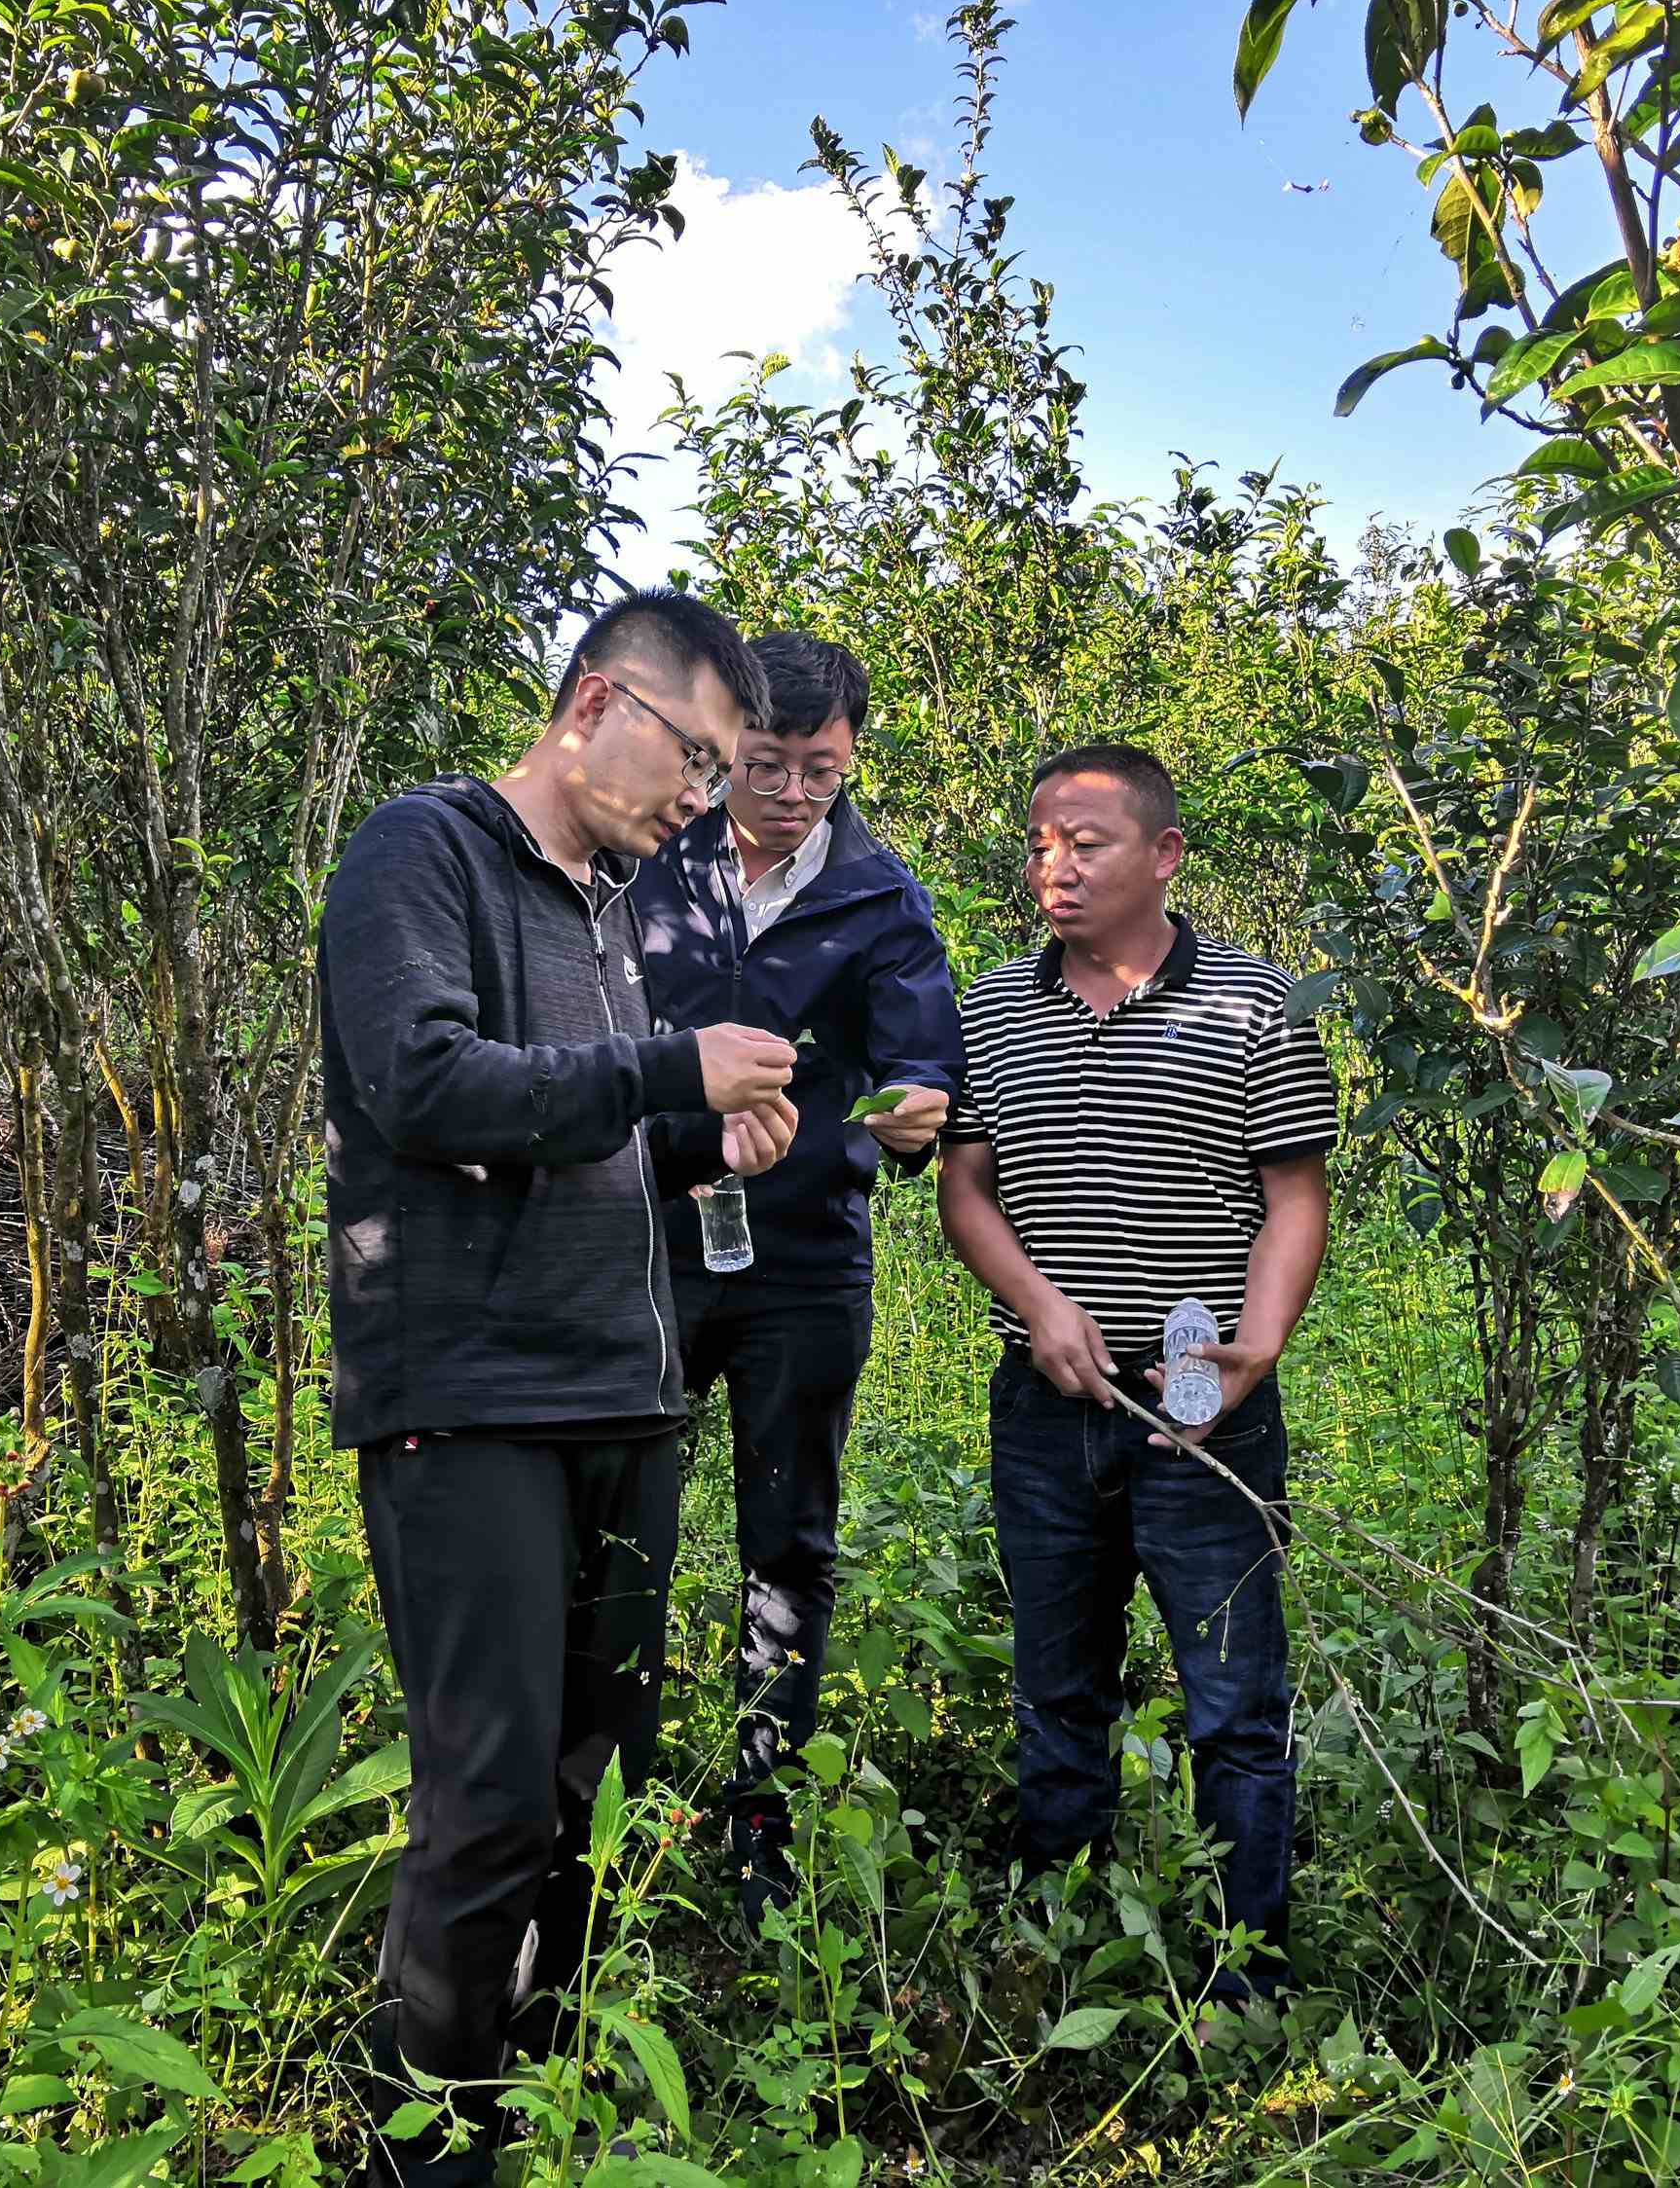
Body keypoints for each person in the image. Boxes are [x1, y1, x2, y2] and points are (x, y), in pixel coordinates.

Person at [318, 588, 803, 2186]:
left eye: (721, 771)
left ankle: (543, 2103)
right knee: (489, 1800)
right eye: (696, 756)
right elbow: (423, 1081)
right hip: (469, 1401)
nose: (702, 799)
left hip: (621, 1395)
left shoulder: (608, 909)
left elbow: (575, 1134)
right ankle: (428, 2156)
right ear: (597, 703)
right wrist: (670, 1068)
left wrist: (696, 1136)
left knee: (602, 1788)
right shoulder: (423, 851)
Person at [935, 741, 1335, 1999]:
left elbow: (1294, 1197)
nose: (1053, 868)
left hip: (1201, 1408)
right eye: (1040, 845)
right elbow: (964, 1188)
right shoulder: (990, 1008)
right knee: (1058, 1688)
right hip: (1046, 1406)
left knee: (1234, 1701)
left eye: (1085, 844)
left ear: (1164, 855)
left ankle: (1248, 1979)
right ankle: (1059, 1950)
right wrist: (1038, 1304)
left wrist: (1257, 1347)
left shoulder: (1259, 1005)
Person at [633, 632, 964, 1926]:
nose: (790, 795)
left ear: (853, 754)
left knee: (787, 1545)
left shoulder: (882, 898)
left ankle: (760, 1821)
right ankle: (604, 1806)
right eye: (765, 766)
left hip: (806, 1260)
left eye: (820, 771)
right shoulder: (649, 860)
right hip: (648, 1243)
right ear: (724, 748)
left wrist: (908, 1112)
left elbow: (919, 1064)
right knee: (619, 1528)